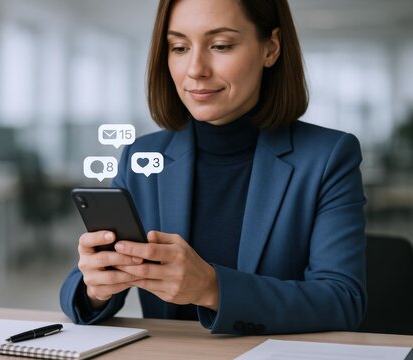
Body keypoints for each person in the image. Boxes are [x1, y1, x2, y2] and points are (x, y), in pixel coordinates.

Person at [60, 0, 366, 335]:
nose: (195, 69)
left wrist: (212, 288)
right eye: (179, 47)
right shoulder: (142, 156)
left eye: (220, 45)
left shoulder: (328, 157)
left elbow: (343, 300)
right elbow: (78, 289)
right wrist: (96, 288)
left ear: (271, 48)